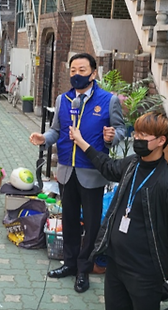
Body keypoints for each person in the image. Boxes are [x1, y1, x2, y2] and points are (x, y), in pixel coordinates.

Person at [69, 111, 168, 310]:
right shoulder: (132, 164)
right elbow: (108, 167)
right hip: (118, 263)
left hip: (144, 270)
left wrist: (162, 259)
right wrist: (81, 142)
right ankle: (150, 297)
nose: (138, 139)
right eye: (137, 133)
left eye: (144, 135)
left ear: (161, 141)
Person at [29, 52, 125, 293]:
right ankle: (69, 263)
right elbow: (56, 131)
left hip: (92, 171)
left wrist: (113, 136)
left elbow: (122, 130)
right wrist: (43, 138)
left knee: (91, 225)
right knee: (69, 220)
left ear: (93, 73)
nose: (77, 75)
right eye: (73, 70)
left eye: (82, 70)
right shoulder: (63, 99)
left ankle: (84, 269)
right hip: (65, 171)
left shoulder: (108, 100)